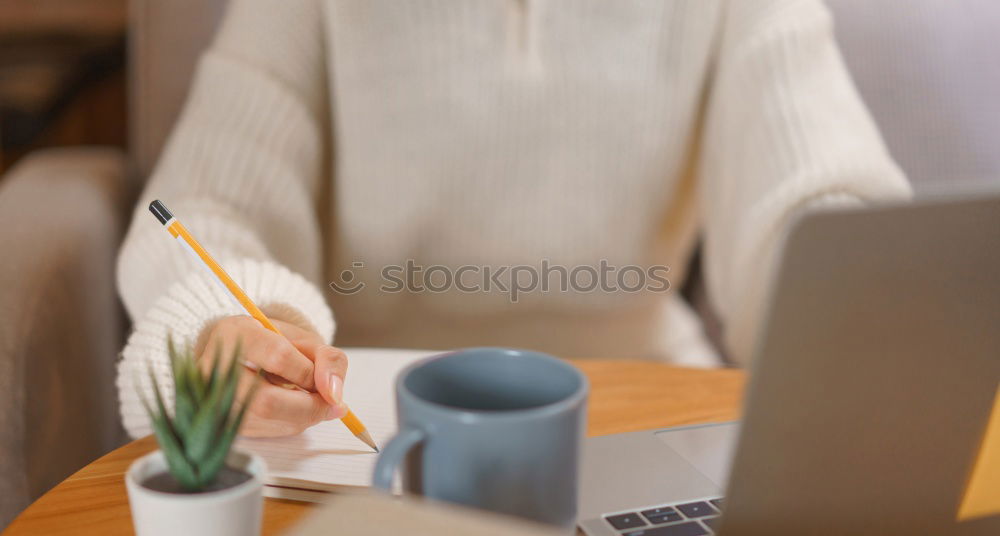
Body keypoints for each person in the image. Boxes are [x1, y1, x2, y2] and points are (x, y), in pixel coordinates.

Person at [116, 0, 910, 438]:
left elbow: (819, 214)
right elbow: (202, 204)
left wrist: (889, 310)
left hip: (647, 401)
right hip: (358, 411)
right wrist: (233, 320)